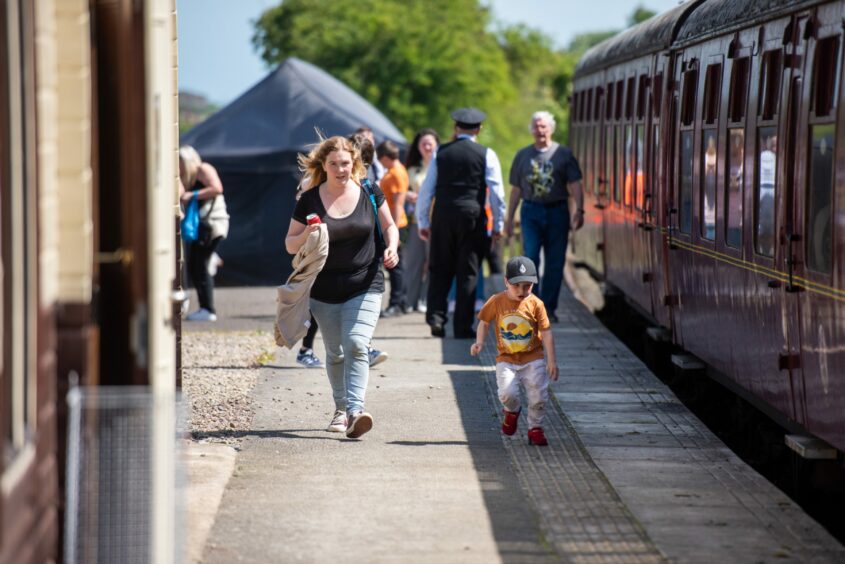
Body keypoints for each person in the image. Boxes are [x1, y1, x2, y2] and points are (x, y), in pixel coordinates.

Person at [285, 135, 399, 438]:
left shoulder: (370, 191)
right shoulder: (310, 199)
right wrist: (308, 233)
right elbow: (289, 244)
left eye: (345, 163)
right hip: (324, 289)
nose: (340, 169)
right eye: (333, 164)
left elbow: (389, 225)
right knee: (335, 353)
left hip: (366, 282)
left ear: (356, 163)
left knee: (357, 344)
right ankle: (340, 408)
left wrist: (393, 246)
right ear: (323, 164)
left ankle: (355, 411)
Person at [416, 108, 506, 339]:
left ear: (456, 129)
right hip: (472, 218)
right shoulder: (487, 154)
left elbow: (427, 190)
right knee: (468, 272)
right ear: (479, 129)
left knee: (439, 268)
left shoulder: (440, 153)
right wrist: (498, 225)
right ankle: (462, 326)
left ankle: (436, 317)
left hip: (443, 216)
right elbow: (496, 193)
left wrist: (423, 221)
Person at [505, 111, 584, 323]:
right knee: (530, 258)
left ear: (551, 129)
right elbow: (516, 190)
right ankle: (532, 306)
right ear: (531, 130)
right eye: (536, 127)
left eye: (544, 127)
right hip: (531, 210)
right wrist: (509, 218)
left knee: (555, 262)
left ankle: (549, 308)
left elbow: (575, 184)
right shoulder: (523, 156)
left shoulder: (563, 154)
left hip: (557, 210)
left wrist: (580, 210)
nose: (540, 130)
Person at [470, 256, 558, 446]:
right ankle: (512, 411)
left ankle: (535, 428)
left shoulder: (536, 304)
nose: (522, 291)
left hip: (533, 358)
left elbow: (547, 332)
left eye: (527, 286)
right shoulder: (497, 301)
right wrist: (479, 342)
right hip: (506, 360)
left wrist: (551, 361)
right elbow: (484, 323)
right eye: (516, 286)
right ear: (506, 282)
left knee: (538, 396)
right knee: (507, 393)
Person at [179, 146, 230, 322]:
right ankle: (205, 307)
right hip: (202, 226)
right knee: (196, 265)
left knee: (200, 265)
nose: (179, 167)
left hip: (212, 223)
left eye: (181, 163)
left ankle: (208, 309)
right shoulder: (188, 176)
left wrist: (192, 194)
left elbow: (217, 188)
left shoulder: (203, 169)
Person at [403, 128, 439, 313]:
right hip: (415, 221)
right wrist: (407, 194)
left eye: (430, 143)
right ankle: (410, 300)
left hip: (436, 221)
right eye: (423, 143)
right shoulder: (411, 169)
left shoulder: (441, 165)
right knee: (414, 263)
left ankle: (426, 299)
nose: (426, 147)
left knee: (433, 263)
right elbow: (401, 190)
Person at [377, 140, 410, 317]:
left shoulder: (396, 173)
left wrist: (393, 231)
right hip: (394, 224)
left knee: (394, 265)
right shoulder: (397, 171)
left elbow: (398, 204)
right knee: (397, 265)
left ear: (385, 157)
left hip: (396, 224)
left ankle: (396, 303)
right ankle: (401, 301)